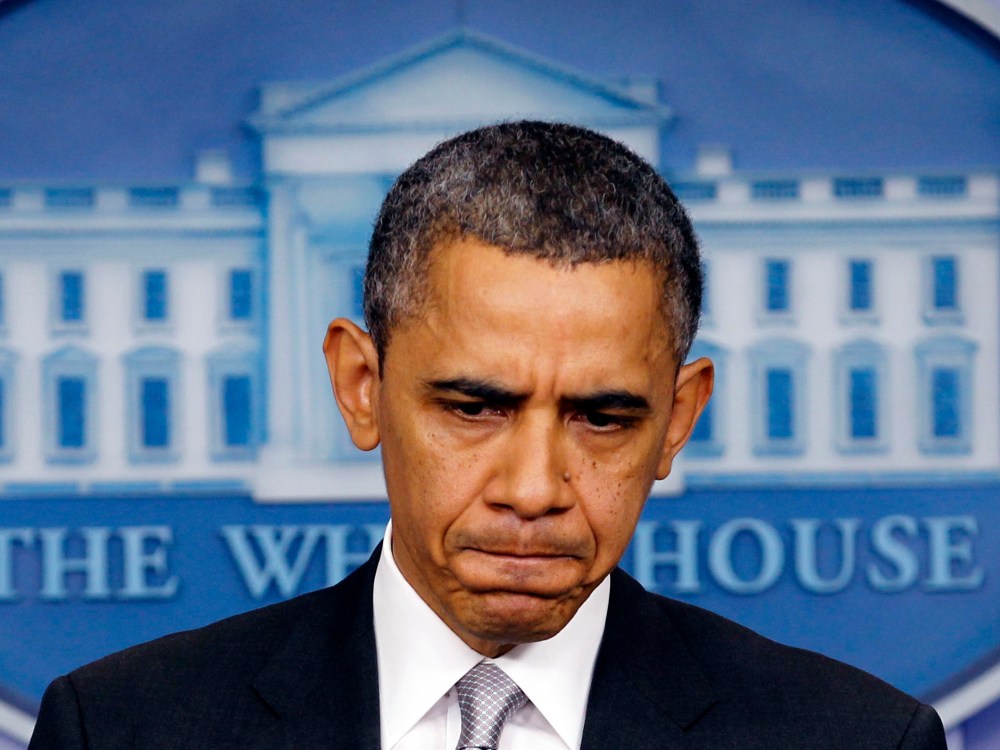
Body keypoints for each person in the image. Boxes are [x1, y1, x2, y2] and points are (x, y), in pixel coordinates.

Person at [29, 121, 946, 749]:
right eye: (475, 408)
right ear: (362, 387)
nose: (535, 487)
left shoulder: (854, 739)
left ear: (677, 422)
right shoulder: (122, 729)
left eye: (602, 416)